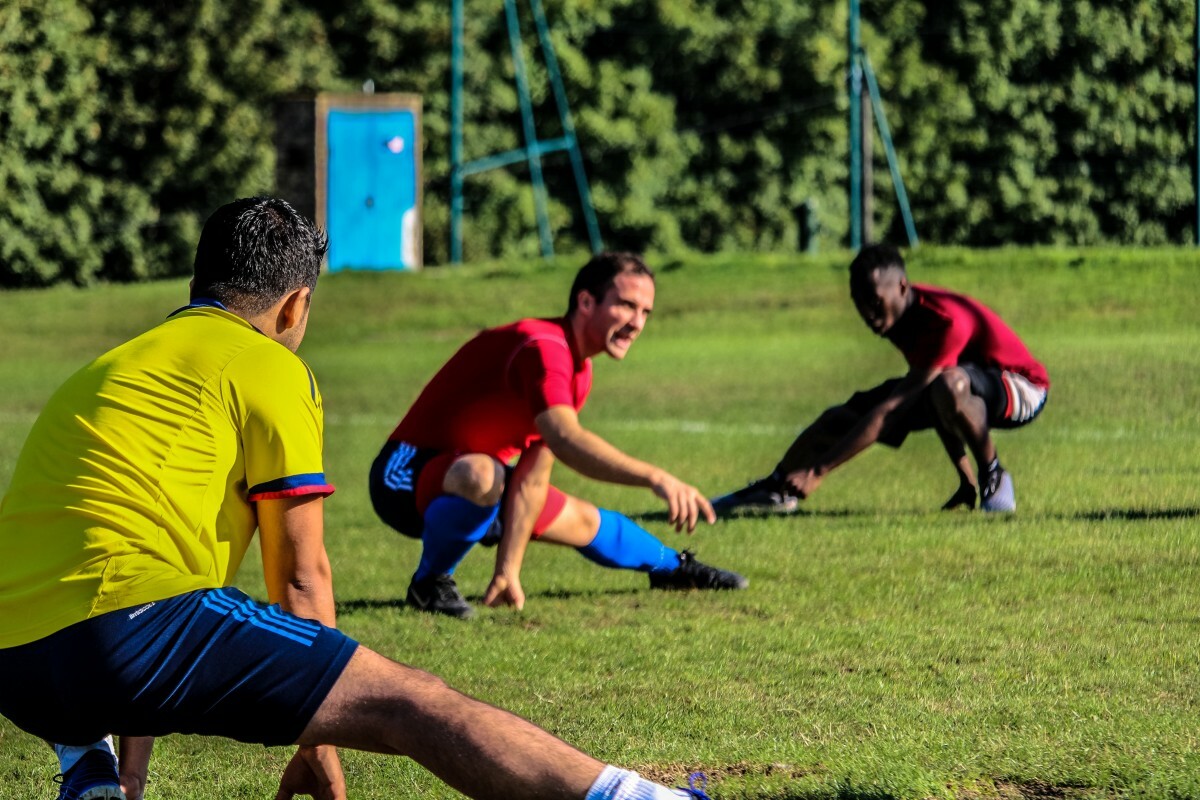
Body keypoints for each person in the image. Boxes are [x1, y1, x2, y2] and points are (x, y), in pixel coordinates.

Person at [0, 198, 713, 800]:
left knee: (119, 622)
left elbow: (109, 560)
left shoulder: (105, 369)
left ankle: (90, 767)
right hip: (126, 631)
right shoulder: (269, 367)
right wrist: (321, 737)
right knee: (412, 702)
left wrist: (134, 773)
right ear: (295, 303)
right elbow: (300, 579)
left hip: (16, 662)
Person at [370, 252, 746, 619]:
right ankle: (430, 582)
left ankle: (673, 567)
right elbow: (566, 439)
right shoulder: (543, 347)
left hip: (486, 483)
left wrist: (507, 571)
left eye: (645, 311)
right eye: (627, 305)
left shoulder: (578, 372)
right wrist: (655, 477)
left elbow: (533, 479)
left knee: (581, 521)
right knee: (483, 475)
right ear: (585, 301)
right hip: (404, 474)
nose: (637, 322)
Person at [711, 243, 1049, 515]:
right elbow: (936, 404)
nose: (868, 314)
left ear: (902, 287)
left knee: (942, 386)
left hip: (1021, 388)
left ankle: (995, 475)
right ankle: (776, 488)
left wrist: (818, 472)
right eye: (859, 305)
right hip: (956, 385)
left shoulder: (944, 320)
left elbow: (902, 408)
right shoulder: (898, 316)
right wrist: (964, 481)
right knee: (840, 419)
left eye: (874, 302)